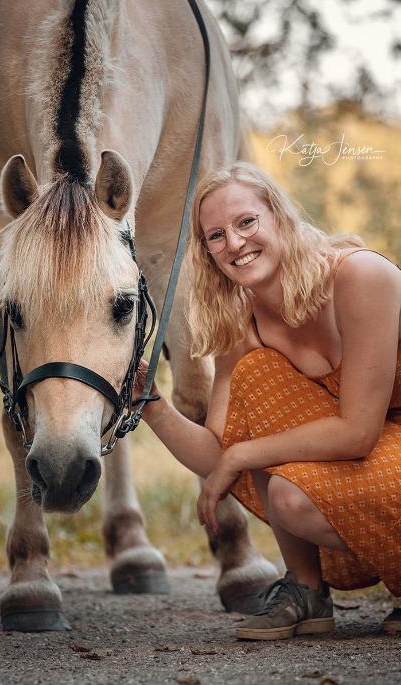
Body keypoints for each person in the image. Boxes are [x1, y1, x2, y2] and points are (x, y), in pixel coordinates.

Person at [133, 162, 401, 641]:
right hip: (377, 455)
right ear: (207, 252)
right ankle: (306, 590)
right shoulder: (245, 328)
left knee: (266, 458)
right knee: (288, 497)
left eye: (246, 222)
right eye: (215, 236)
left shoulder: (360, 275)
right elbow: (220, 451)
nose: (234, 243)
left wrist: (241, 455)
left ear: (278, 216)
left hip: (378, 442)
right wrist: (149, 403)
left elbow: (359, 431)